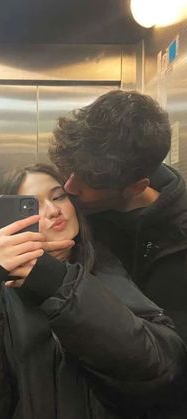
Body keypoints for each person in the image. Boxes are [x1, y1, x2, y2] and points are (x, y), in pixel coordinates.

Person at [0, 163, 187, 419]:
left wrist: (57, 281)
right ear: (10, 222)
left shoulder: (107, 266)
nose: (53, 211)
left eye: (58, 196)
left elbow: (162, 367)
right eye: (32, 206)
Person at [49, 89, 187, 344]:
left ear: (135, 187)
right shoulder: (67, 196)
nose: (69, 187)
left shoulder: (179, 240)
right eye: (70, 170)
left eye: (88, 182)